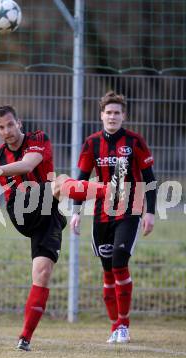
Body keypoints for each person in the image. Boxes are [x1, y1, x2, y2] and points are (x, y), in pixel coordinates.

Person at [0, 105, 102, 351]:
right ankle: (108, 192)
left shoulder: (38, 139)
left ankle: (24, 338)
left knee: (42, 274)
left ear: (19, 123)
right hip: (22, 211)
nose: (6, 131)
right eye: (1, 127)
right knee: (61, 182)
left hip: (48, 215)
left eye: (10, 124)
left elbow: (27, 165)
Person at [68, 91, 157, 343]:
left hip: (130, 211)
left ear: (123, 116)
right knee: (107, 271)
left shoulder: (135, 141)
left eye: (117, 112)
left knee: (119, 261)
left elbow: (150, 180)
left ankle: (124, 325)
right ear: (101, 115)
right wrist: (76, 212)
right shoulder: (91, 143)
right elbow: (82, 180)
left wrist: (149, 212)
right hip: (101, 213)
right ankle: (114, 327)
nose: (113, 117)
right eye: (108, 112)